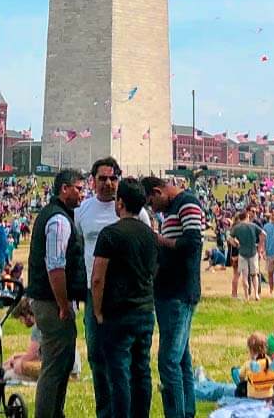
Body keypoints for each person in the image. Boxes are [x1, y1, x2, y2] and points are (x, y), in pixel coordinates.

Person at [90, 178, 158, 418]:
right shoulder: (151, 235)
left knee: (119, 374)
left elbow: (97, 277)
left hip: (118, 313)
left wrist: (97, 311)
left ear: (120, 203)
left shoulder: (110, 234)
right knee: (142, 371)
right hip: (145, 310)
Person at [26, 169, 86, 418]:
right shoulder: (59, 220)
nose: (82, 194)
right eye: (79, 189)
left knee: (61, 364)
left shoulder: (56, 215)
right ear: (64, 189)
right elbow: (55, 266)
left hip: (49, 299)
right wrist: (63, 304)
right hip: (51, 302)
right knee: (54, 365)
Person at [143, 176, 204, 418]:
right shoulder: (171, 211)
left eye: (151, 202)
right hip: (169, 292)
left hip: (179, 291)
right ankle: (187, 410)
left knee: (168, 361)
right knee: (181, 359)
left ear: (159, 191)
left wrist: (158, 240)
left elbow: (192, 243)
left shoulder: (187, 204)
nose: (152, 208)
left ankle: (177, 413)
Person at [75, 157, 123, 412]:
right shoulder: (83, 211)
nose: (108, 183)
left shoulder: (129, 209)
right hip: (93, 292)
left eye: (112, 178)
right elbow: (80, 244)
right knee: (95, 353)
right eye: (102, 178)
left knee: (121, 354)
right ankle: (104, 410)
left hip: (122, 294)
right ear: (93, 181)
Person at [235, 331, 274, 404]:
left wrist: (243, 381)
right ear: (266, 348)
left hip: (253, 398)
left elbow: (241, 376)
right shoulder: (269, 362)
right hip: (269, 398)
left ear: (251, 350)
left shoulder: (248, 364)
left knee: (240, 388)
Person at [228, 211, 261, 301]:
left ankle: (246, 296)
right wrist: (261, 246)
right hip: (253, 251)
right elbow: (263, 234)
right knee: (254, 275)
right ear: (247, 216)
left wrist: (236, 244)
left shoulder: (237, 227)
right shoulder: (253, 225)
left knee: (244, 276)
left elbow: (229, 237)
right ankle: (256, 294)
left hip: (242, 252)